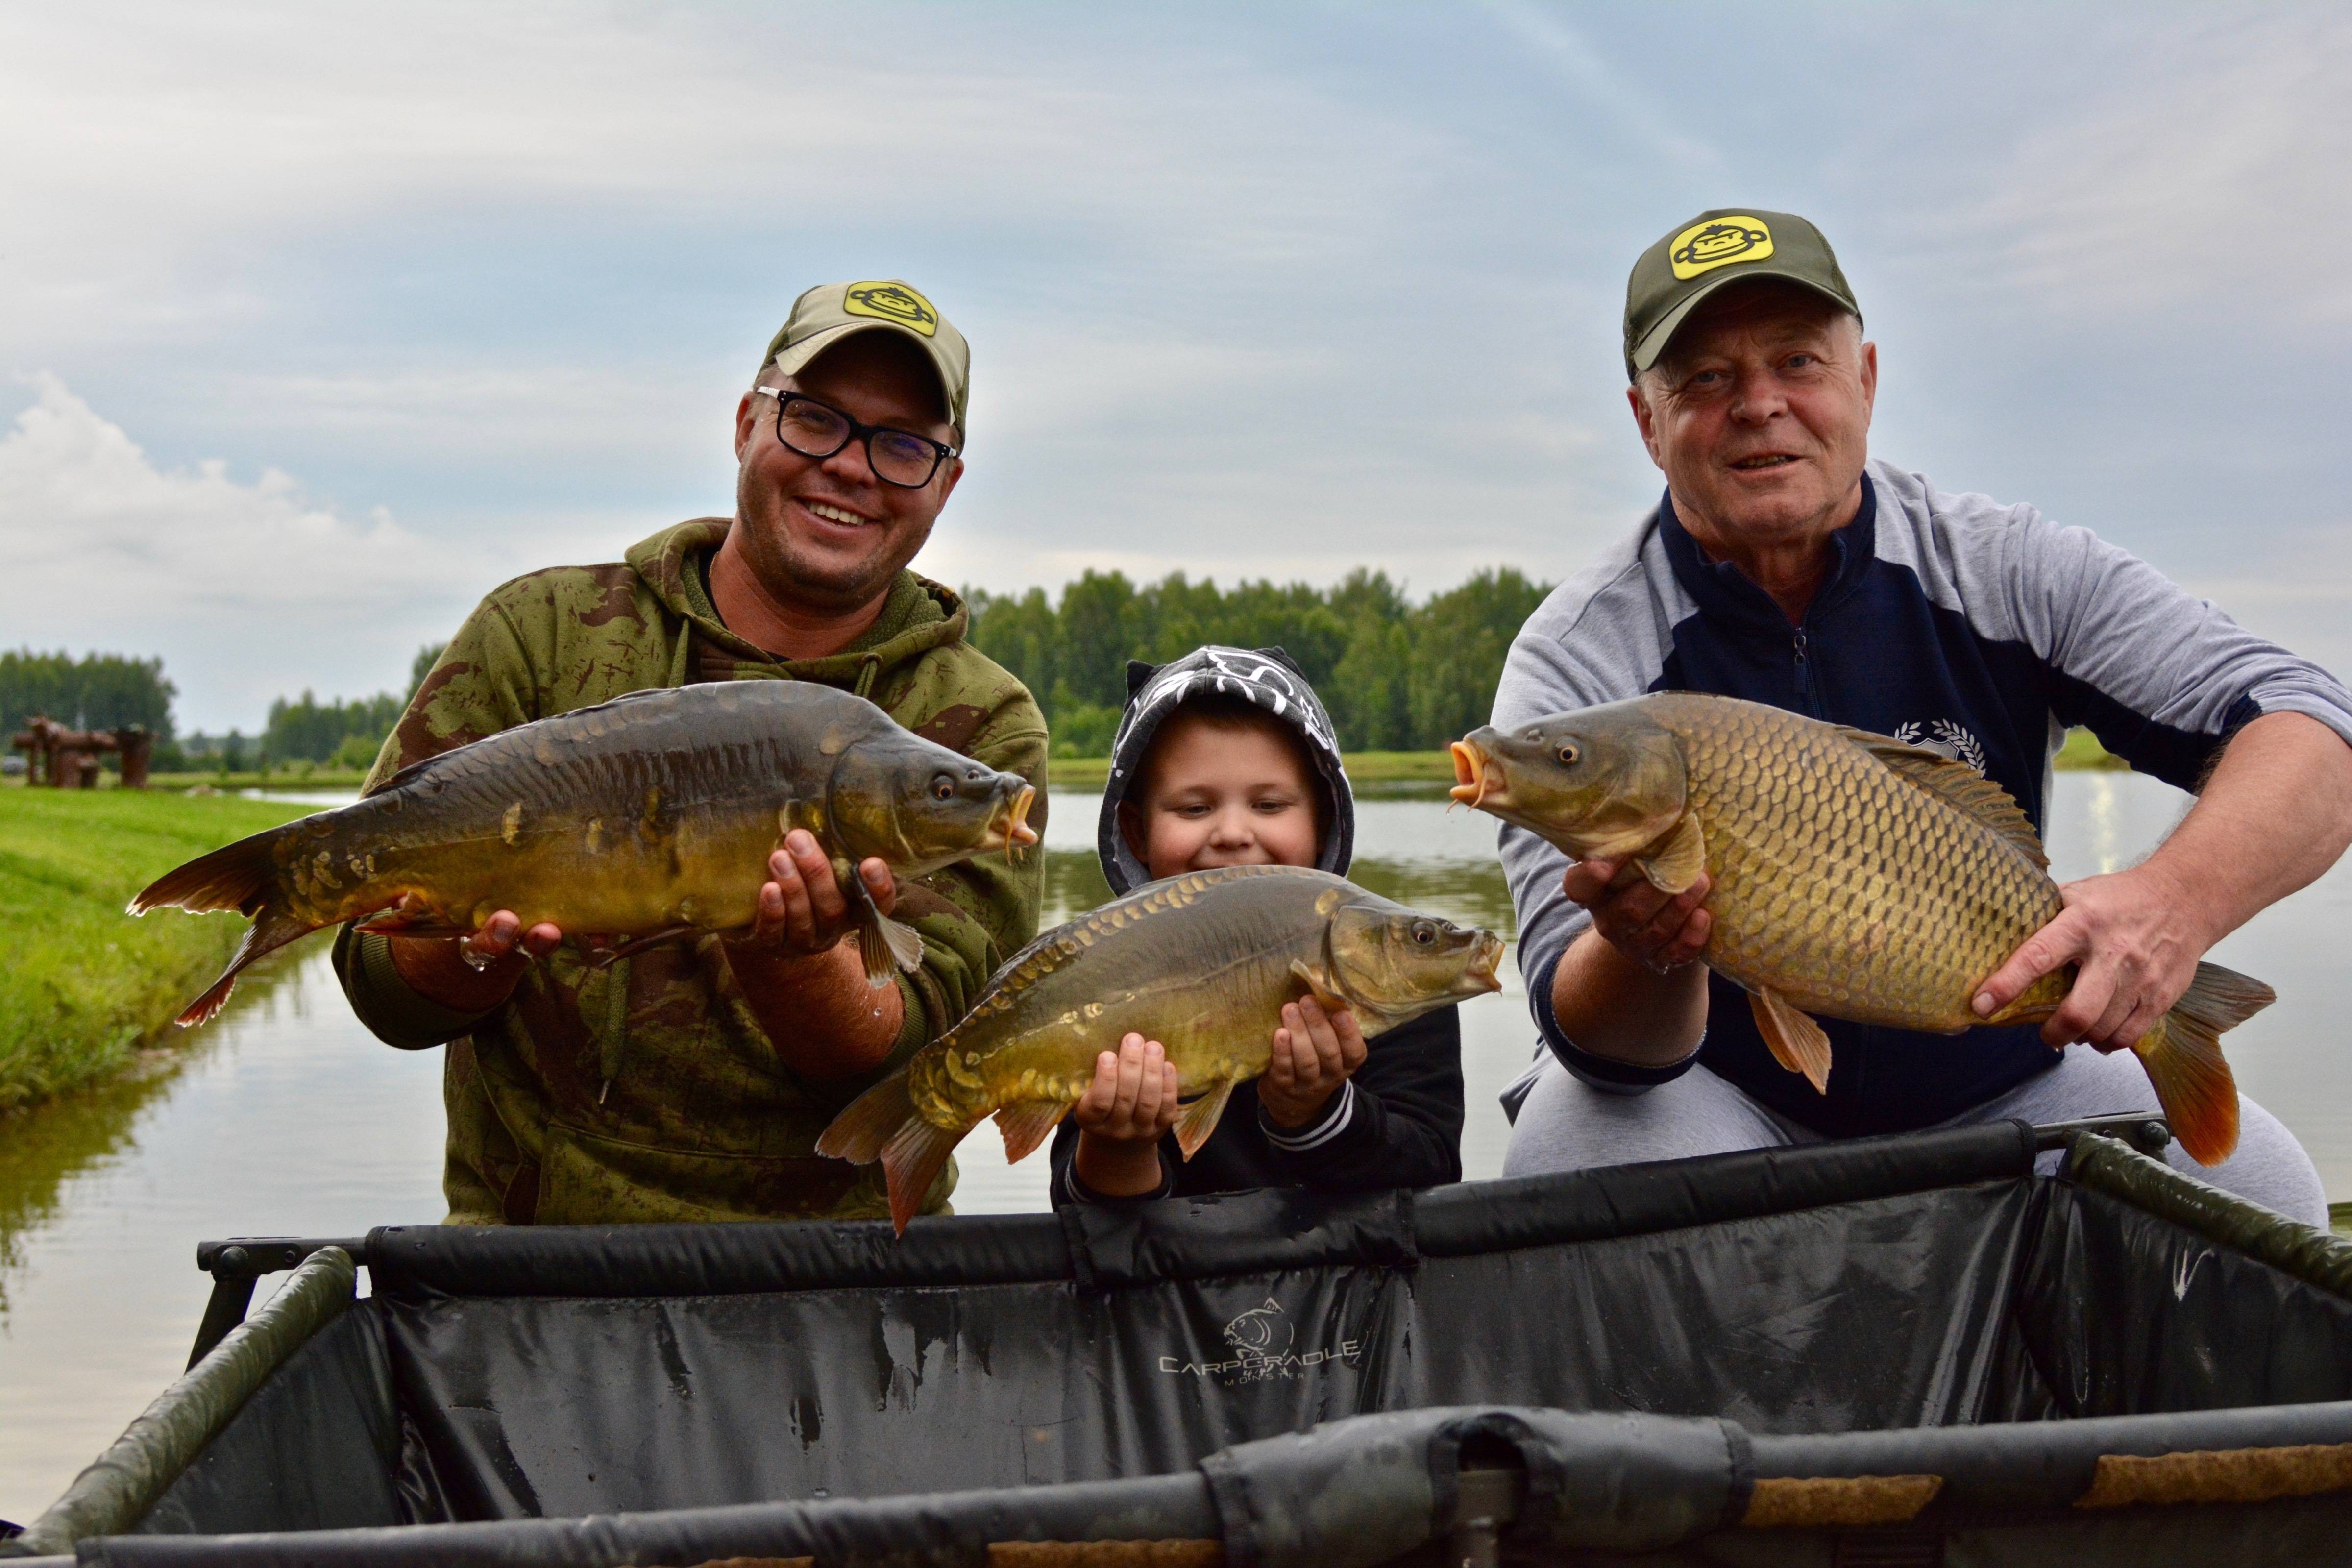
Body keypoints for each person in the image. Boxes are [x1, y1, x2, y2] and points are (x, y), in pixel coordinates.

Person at [1493, 209, 2352, 1224]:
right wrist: (1641, 949)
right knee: (1563, 1151)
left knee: (2260, 1185)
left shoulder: (2005, 567)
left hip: (2010, 1070)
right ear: (1648, 421)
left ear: (1866, 379)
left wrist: (2172, 901)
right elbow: (1591, 1040)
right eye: (1707, 379)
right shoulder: (1580, 663)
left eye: (1797, 362)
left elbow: (2312, 727)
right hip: (1720, 1100)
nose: (1760, 405)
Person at [336, 280, 1047, 1226]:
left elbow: (933, 1070)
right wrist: (475, 944)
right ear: (750, 422)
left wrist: (793, 963)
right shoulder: (540, 638)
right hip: (531, 1266)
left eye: (904, 444)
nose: (852, 467)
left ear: (947, 483)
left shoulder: (980, 726)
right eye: (817, 420)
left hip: (837, 1279)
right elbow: (384, 997)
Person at [1046, 646, 1465, 1204]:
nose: (1233, 833)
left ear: (1323, 819)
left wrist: (1318, 1110)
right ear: (1137, 832)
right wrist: (1119, 1148)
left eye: (1269, 805)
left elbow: (1430, 1177)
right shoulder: (1109, 971)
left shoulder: (1394, 972)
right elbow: (1087, 1225)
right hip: (1166, 1285)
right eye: (1195, 808)